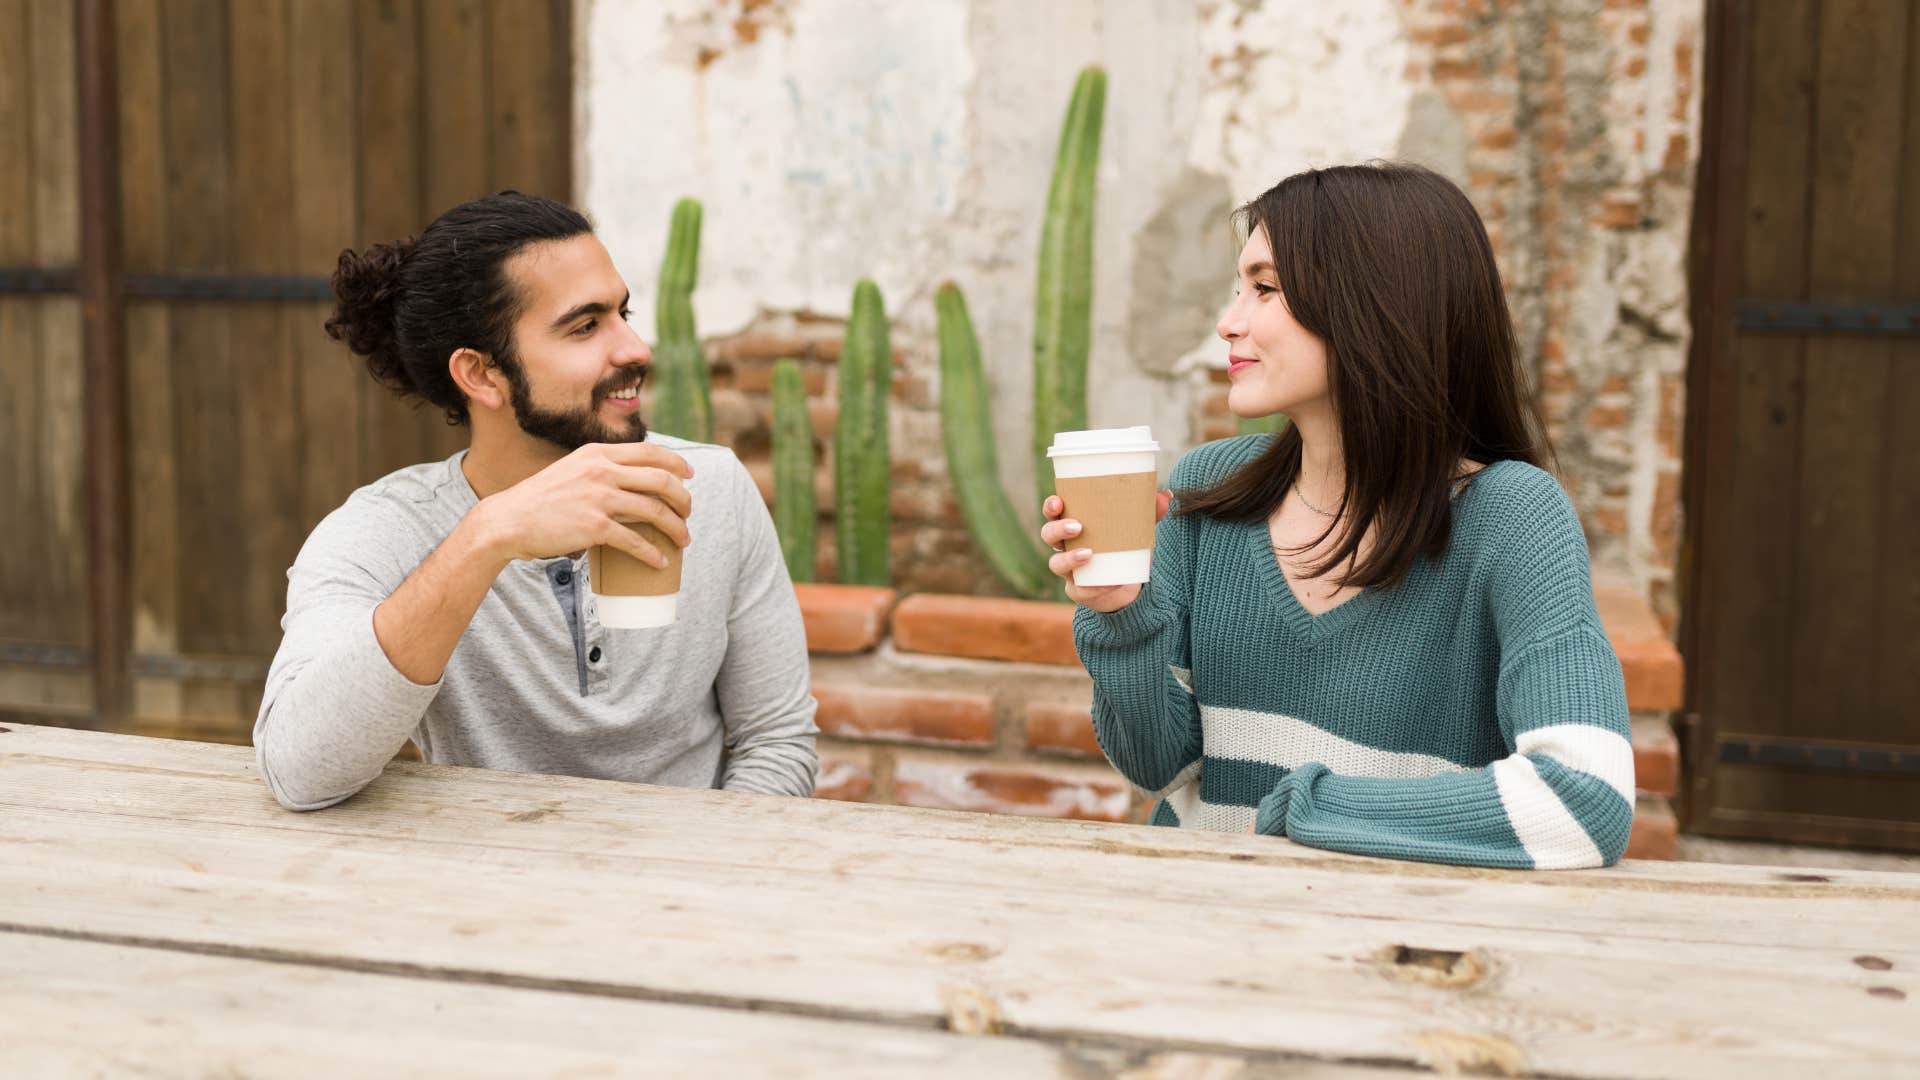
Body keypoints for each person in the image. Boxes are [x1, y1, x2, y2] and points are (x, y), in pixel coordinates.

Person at [1041, 163, 1633, 869]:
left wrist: (1311, 809)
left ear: (1373, 302)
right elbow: (1159, 770)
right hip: (1195, 935)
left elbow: (1584, 803)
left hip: (1389, 955)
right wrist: (1121, 618)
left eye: (1264, 289)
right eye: (1239, 290)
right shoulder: (1206, 491)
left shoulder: (1513, 520)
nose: (1229, 323)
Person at [253, 192, 817, 810]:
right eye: (585, 326)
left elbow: (777, 741)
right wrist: (486, 538)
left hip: (695, 883)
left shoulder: (710, 486)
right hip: (488, 888)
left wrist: (695, 881)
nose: (634, 348)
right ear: (482, 374)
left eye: (623, 313)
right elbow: (299, 772)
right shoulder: (382, 533)